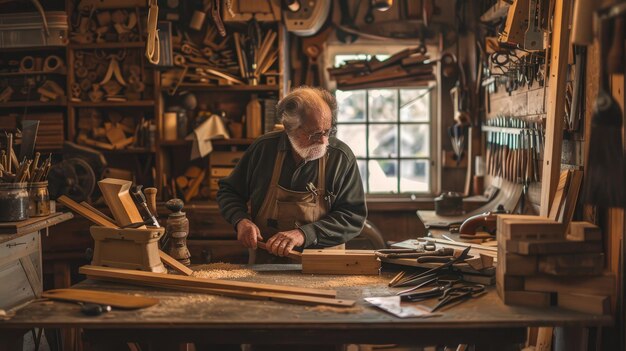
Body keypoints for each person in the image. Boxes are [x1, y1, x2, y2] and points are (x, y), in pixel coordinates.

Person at [217, 86, 367, 259]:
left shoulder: (341, 157)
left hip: (325, 267)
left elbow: (353, 217)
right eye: (315, 133)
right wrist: (240, 220)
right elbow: (229, 191)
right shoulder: (263, 150)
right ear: (290, 128)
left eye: (327, 131)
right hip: (266, 265)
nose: (323, 141)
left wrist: (304, 234)